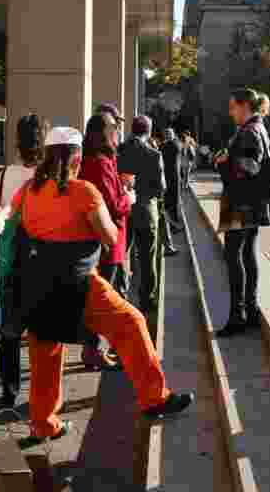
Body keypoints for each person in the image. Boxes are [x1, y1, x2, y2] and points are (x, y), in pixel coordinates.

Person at [12, 126, 194, 441]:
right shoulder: (83, 190)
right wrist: (128, 197)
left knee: (45, 352)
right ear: (76, 157)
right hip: (79, 280)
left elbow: (17, 223)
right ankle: (154, 398)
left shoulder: (28, 190)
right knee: (131, 323)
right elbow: (109, 238)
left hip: (37, 282)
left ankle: (43, 424)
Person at [0, 114, 48, 415]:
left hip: (7, 259)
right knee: (41, 334)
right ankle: (42, 397)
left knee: (9, 333)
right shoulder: (50, 177)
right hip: (42, 260)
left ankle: (9, 393)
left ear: (17, 142)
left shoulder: (1, 175)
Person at [213, 89, 270, 338]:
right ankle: (249, 310)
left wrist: (224, 164)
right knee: (247, 253)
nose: (230, 112)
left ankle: (237, 315)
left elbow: (247, 170)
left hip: (241, 201)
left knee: (234, 255)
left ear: (244, 106)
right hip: (252, 202)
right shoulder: (258, 128)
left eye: (232, 107)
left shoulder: (249, 131)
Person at [80, 113, 135, 369]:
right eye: (114, 128)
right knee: (102, 299)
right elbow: (111, 205)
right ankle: (94, 351)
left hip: (102, 239)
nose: (118, 134)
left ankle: (94, 349)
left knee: (99, 297)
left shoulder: (96, 159)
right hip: (108, 240)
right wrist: (128, 197)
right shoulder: (100, 163)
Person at [117, 115, 166, 313]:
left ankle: (119, 297)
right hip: (146, 211)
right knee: (148, 258)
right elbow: (161, 189)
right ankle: (147, 300)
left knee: (120, 256)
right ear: (149, 130)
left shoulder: (120, 150)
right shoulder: (154, 154)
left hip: (123, 211)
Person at [160, 127, 183, 257]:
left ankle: (173, 223)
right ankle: (173, 224)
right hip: (169, 176)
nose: (168, 135)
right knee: (171, 201)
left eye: (169, 133)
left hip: (172, 177)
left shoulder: (172, 145)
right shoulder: (171, 144)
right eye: (166, 133)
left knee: (173, 201)